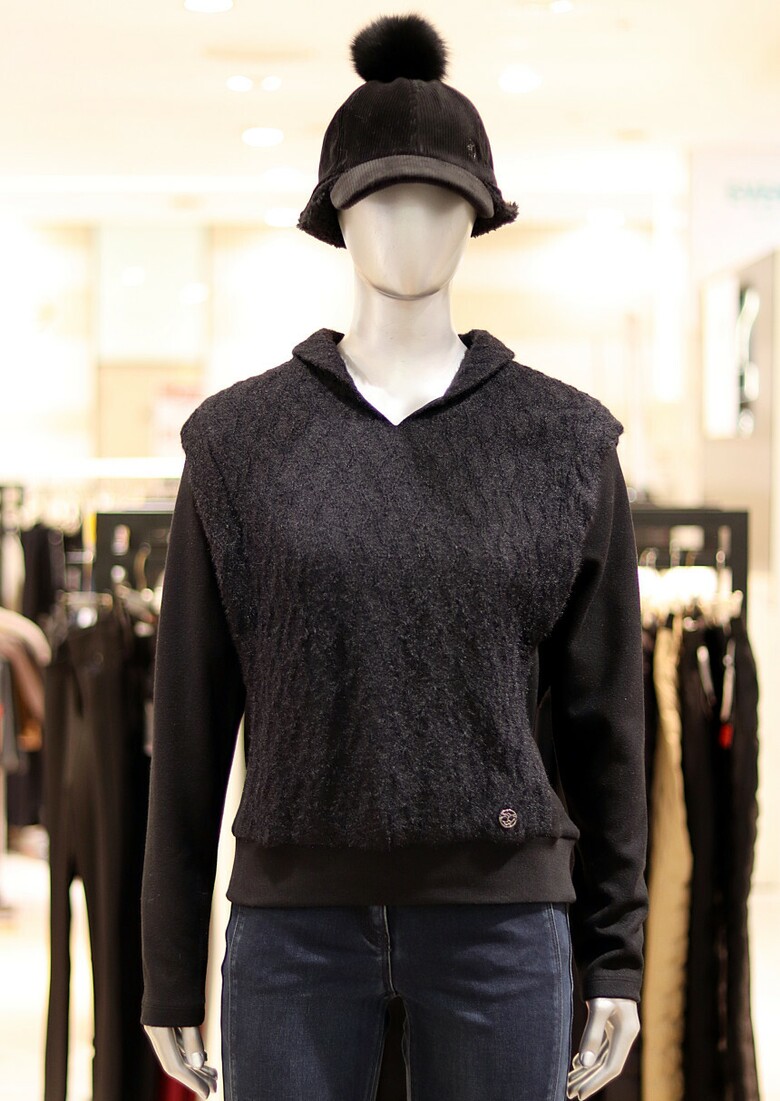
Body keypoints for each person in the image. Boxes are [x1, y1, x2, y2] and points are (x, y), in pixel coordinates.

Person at [140, 14, 649, 1101]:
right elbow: (188, 718)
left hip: (502, 928)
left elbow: (607, 722)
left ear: (477, 215)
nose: (410, 227)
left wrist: (616, 952)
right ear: (337, 214)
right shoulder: (237, 444)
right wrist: (168, 964)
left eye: (439, 199)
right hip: (292, 930)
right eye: (381, 198)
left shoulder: (565, 442)